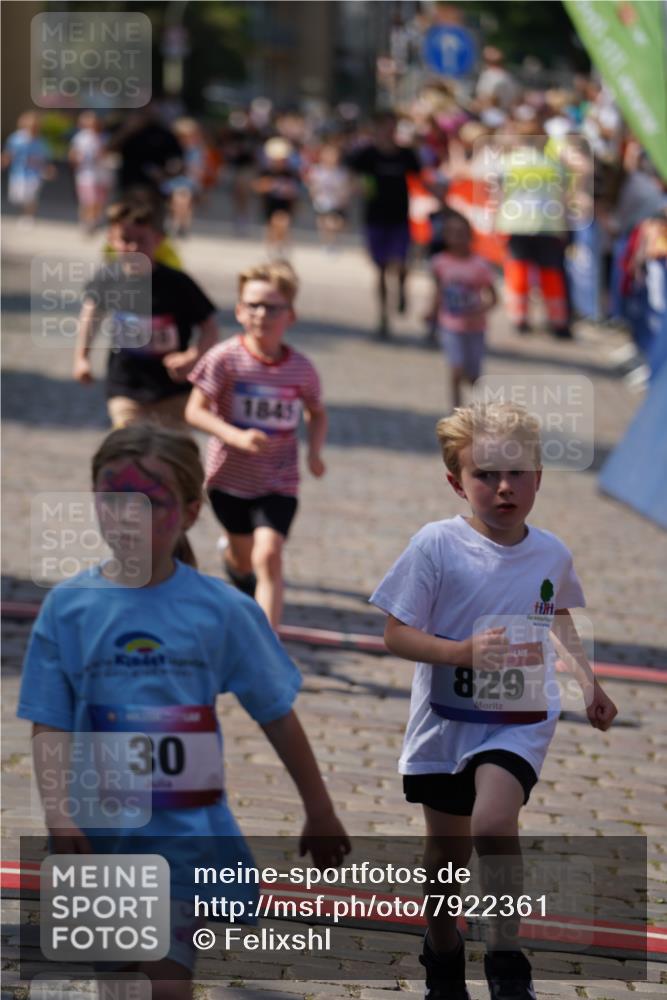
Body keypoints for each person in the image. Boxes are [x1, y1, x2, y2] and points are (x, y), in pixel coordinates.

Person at [18, 425, 349, 1000]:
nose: (127, 517)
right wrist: (58, 813)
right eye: (113, 500)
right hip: (98, 840)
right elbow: (48, 719)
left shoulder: (221, 611)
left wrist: (319, 809)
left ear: (192, 511)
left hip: (184, 838)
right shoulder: (67, 608)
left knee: (167, 986)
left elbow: (275, 711)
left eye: (149, 503)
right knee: (119, 985)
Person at [370, 402, 617, 1000]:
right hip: (445, 723)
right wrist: (459, 653)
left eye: (517, 473)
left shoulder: (552, 553)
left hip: (519, 719)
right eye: (485, 474)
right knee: (447, 856)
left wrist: (589, 682)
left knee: (494, 821)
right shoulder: (436, 545)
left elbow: (558, 614)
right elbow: (395, 634)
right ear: (457, 482)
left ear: (539, 477)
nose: (504, 487)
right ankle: (442, 950)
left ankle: (507, 956)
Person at [185, 261, 326, 629]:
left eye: (272, 308)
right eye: (253, 306)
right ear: (239, 311)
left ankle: (266, 645)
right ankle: (235, 566)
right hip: (228, 480)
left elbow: (316, 413)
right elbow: (194, 411)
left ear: (290, 315)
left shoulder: (301, 369)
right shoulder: (224, 359)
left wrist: (314, 452)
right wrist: (235, 436)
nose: (261, 314)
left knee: (269, 555)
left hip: (279, 481)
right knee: (244, 560)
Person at [73, 202, 218, 429]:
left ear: (158, 240)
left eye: (142, 240)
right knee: (128, 442)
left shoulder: (178, 283)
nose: (133, 248)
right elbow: (91, 315)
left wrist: (192, 357)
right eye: (125, 240)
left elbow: (209, 327)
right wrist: (82, 358)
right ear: (111, 239)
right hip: (125, 386)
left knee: (171, 448)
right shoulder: (107, 278)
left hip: (173, 390)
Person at [345, 112, 422, 338]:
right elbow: (351, 174)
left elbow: (420, 177)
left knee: (400, 262)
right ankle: (383, 315)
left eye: (392, 127)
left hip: (400, 218)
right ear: (376, 129)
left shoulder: (406, 154)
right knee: (380, 269)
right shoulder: (366, 154)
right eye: (385, 127)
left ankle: (402, 289)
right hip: (375, 218)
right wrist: (356, 187)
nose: (389, 132)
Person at [428, 212, 497, 408]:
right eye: (453, 234)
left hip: (476, 328)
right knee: (456, 370)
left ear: (470, 236)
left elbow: (494, 298)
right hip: (451, 326)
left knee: (473, 377)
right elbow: (438, 291)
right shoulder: (439, 263)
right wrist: (432, 312)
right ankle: (456, 412)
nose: (458, 238)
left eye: (462, 233)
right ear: (446, 237)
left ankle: (475, 408)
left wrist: (480, 310)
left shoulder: (480, 265)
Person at [1, 110, 54, 225]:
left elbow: (46, 159)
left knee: (31, 197)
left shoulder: (41, 141)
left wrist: (49, 169)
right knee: (18, 198)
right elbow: (9, 154)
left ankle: (28, 216)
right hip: (18, 173)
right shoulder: (16, 138)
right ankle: (24, 212)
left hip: (35, 174)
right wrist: (4, 161)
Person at [253, 137, 302, 258]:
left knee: (283, 223)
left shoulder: (291, 172)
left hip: (285, 204)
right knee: (271, 227)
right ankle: (272, 248)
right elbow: (257, 186)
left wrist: (288, 191)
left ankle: (282, 247)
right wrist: (270, 185)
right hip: (270, 203)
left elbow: (296, 190)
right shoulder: (266, 171)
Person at [69, 111, 114, 232]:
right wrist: (76, 163)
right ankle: (87, 221)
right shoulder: (80, 138)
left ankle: (94, 220)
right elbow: (73, 154)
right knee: (88, 199)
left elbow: (107, 154)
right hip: (85, 174)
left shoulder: (104, 137)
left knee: (99, 200)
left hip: (102, 174)